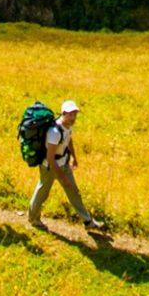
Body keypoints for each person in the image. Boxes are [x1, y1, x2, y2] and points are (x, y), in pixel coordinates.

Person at [29, 99, 105, 231]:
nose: (73, 117)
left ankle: (87, 221)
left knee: (74, 191)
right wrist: (63, 178)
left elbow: (69, 140)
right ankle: (33, 218)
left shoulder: (68, 127)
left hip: (63, 163)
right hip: (49, 167)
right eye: (70, 114)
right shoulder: (54, 132)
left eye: (75, 114)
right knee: (43, 192)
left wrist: (74, 158)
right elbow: (50, 158)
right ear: (63, 113)